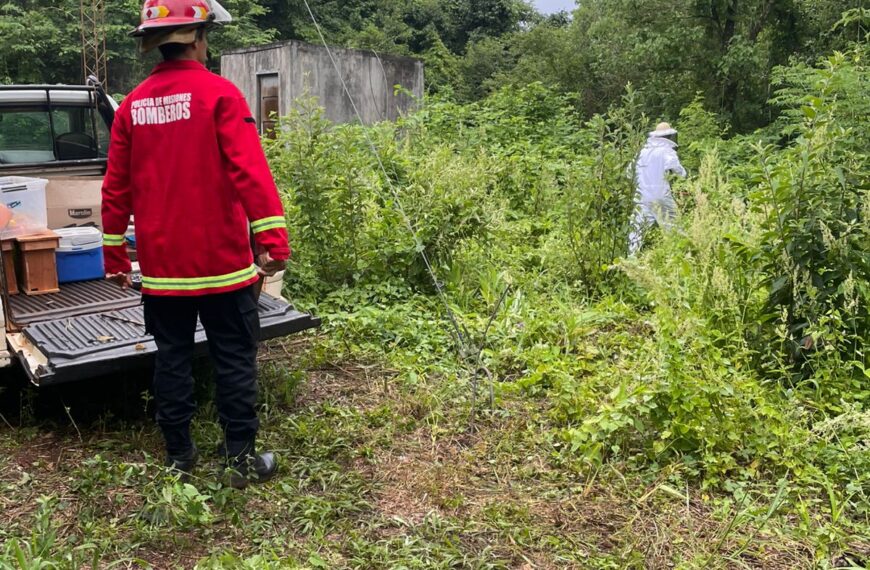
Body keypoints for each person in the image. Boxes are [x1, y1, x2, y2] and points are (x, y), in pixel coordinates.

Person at [101, 0, 289, 489]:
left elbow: (115, 188)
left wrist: (114, 255)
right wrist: (272, 240)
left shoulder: (132, 107)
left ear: (156, 43)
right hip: (224, 266)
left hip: (164, 271)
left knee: (172, 358)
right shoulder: (220, 95)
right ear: (199, 38)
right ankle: (240, 461)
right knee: (232, 358)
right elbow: (251, 172)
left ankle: (179, 461)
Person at [629, 122, 687, 255]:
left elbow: (629, 173)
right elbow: (679, 172)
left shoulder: (642, 152)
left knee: (636, 233)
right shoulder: (667, 151)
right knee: (674, 230)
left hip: (641, 198)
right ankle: (682, 259)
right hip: (661, 196)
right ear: (669, 136)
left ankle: (629, 262)